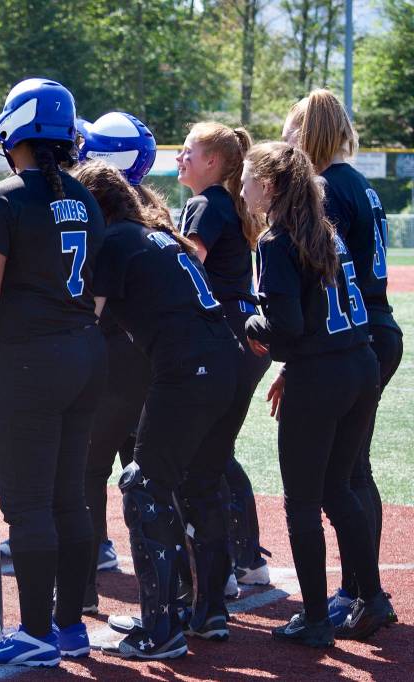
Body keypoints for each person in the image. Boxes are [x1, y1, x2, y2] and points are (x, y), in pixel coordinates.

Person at [0, 78, 106, 667]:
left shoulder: (0, 199)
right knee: (69, 496)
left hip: (29, 360)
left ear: (13, 130)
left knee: (29, 505)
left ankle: (36, 633)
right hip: (84, 353)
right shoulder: (88, 197)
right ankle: (69, 627)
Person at [72, 160, 240, 659]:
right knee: (201, 484)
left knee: (143, 485)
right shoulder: (154, 234)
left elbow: (88, 321)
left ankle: (160, 628)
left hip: (187, 370)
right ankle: (206, 611)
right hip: (222, 362)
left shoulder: (115, 242)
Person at [241, 141, 393, 646]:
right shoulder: (324, 230)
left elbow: (284, 327)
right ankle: (371, 597)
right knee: (338, 489)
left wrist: (248, 320)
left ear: (268, 185)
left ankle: (315, 618)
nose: (242, 189)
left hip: (322, 376)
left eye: (247, 179)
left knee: (303, 503)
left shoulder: (277, 240)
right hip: (360, 365)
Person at [281, 89, 403, 626]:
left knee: (343, 475)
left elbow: (319, 277)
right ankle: (362, 590)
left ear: (308, 133)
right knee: (356, 469)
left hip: (355, 333)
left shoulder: (326, 187)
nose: (287, 141)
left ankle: (360, 591)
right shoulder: (361, 184)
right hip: (376, 327)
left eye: (291, 131)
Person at [176, 122, 271, 588]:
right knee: (217, 449)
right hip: (246, 334)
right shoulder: (228, 203)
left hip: (228, 336)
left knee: (204, 453)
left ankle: (222, 569)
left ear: (212, 161)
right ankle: (245, 559)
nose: (180, 158)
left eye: (189, 151)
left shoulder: (204, 204)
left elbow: (187, 269)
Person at [75, 112, 158, 611]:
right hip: (155, 361)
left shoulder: (109, 224)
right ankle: (180, 591)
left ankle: (82, 588)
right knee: (153, 478)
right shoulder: (151, 213)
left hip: (114, 362)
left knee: (87, 472)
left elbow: (93, 306)